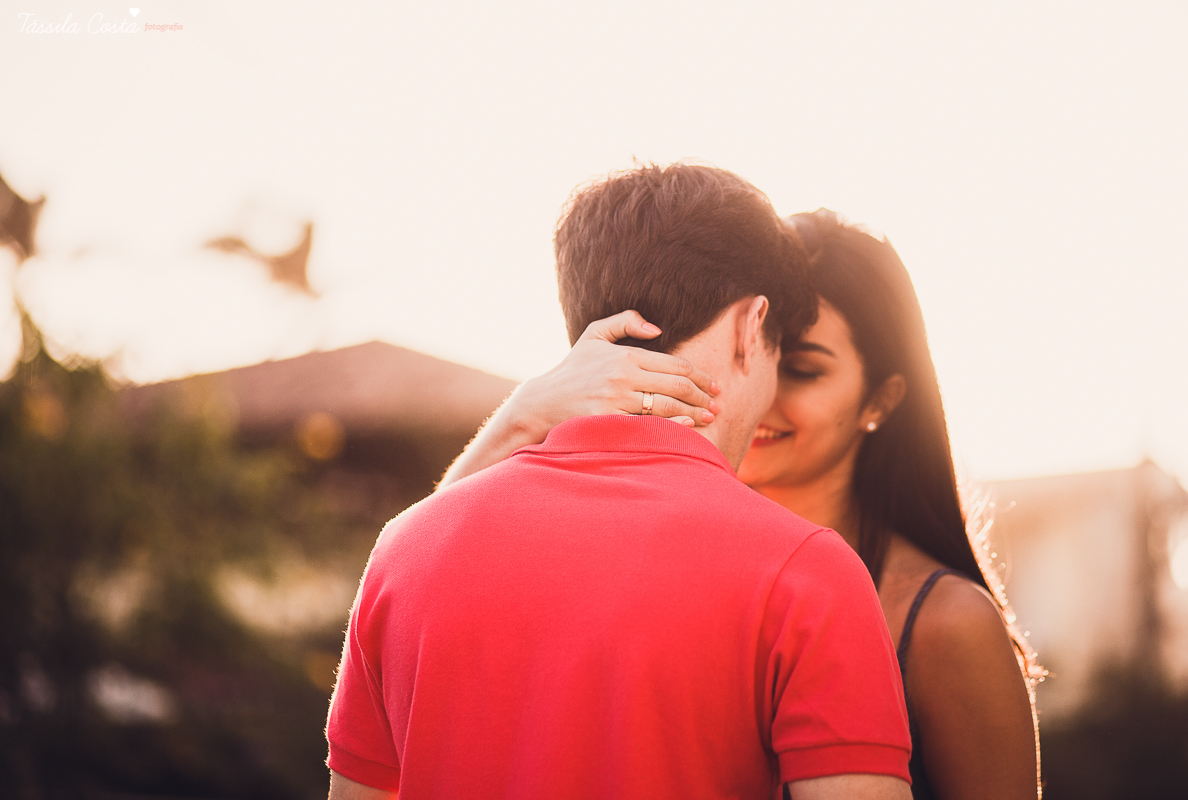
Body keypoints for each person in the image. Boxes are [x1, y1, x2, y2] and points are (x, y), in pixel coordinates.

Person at [326, 166, 914, 799]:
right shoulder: (806, 572)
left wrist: (521, 415)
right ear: (753, 326)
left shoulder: (406, 549)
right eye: (780, 352)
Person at [442, 208, 1042, 799]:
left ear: (879, 401)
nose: (761, 385)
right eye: (755, 349)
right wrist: (523, 415)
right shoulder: (659, 563)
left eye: (803, 368)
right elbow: (433, 574)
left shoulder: (948, 625)